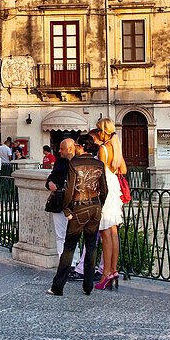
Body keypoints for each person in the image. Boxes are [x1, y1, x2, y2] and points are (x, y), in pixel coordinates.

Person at [48, 133, 109, 296]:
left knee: (69, 246)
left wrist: (67, 209)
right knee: (91, 246)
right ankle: (88, 285)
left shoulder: (74, 163)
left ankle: (58, 286)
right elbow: (105, 189)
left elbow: (69, 190)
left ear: (80, 146)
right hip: (95, 207)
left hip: (79, 207)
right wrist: (99, 204)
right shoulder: (99, 164)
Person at [93, 117, 125, 291]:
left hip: (106, 189)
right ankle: (113, 270)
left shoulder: (103, 149)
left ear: (103, 131)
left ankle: (106, 273)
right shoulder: (117, 147)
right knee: (113, 231)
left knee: (105, 232)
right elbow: (124, 169)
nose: (97, 133)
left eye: (98, 130)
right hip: (115, 188)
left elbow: (100, 173)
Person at [46, 139, 74, 259]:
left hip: (73, 202)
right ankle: (63, 261)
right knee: (60, 234)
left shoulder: (77, 163)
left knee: (72, 234)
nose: (59, 151)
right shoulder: (59, 162)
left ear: (70, 149)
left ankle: (73, 262)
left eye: (62, 149)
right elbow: (52, 176)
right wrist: (50, 183)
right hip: (58, 200)